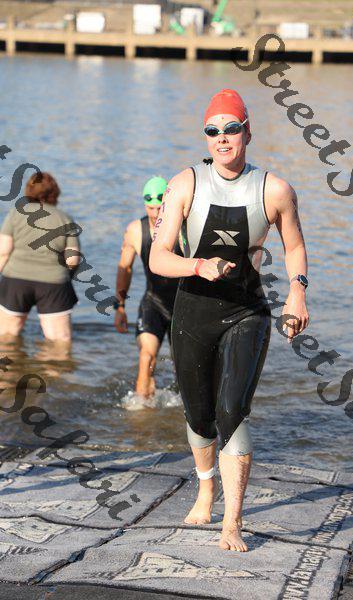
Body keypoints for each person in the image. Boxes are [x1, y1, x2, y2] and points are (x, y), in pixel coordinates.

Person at [149, 89, 310, 552]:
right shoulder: (185, 184)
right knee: (198, 415)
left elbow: (295, 246)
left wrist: (297, 292)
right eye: (213, 130)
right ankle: (206, 489)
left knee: (231, 410)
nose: (222, 138)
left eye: (231, 128)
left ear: (247, 133)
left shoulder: (274, 190)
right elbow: (159, 257)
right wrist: (198, 265)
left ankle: (233, 521)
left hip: (247, 311)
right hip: (193, 310)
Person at [114, 176, 183, 398]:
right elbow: (124, 269)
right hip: (154, 303)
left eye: (159, 208)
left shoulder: (184, 229)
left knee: (184, 368)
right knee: (146, 357)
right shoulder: (135, 231)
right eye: (150, 208)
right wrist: (120, 306)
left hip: (184, 307)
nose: (154, 214)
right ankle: (141, 411)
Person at [0, 172, 80, 342]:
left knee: (6, 335)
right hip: (53, 283)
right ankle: (52, 360)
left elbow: (3, 251)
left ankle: (11, 359)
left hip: (15, 280)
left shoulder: (16, 214)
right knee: (59, 340)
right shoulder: (65, 219)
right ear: (55, 193)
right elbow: (72, 260)